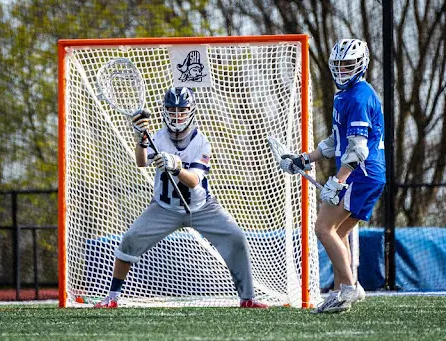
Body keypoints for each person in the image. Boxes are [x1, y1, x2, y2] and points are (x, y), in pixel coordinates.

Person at [94, 86, 268, 309]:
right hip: (164, 208)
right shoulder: (157, 137)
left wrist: (175, 166)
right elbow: (140, 161)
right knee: (130, 240)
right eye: (172, 110)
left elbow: (195, 180)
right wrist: (141, 140)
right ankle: (112, 296)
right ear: (165, 111)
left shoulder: (201, 142)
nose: (177, 115)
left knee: (236, 238)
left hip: (202, 207)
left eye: (182, 110)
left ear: (191, 111)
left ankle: (247, 298)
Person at [279, 39, 385, 313]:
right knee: (338, 232)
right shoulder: (345, 96)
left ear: (361, 65)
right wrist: (304, 159)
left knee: (323, 228)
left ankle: (349, 289)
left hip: (361, 173)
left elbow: (357, 150)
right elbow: (335, 142)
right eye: (338, 65)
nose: (342, 70)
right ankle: (342, 290)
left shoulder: (359, 96)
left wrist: (338, 181)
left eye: (348, 65)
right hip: (370, 175)